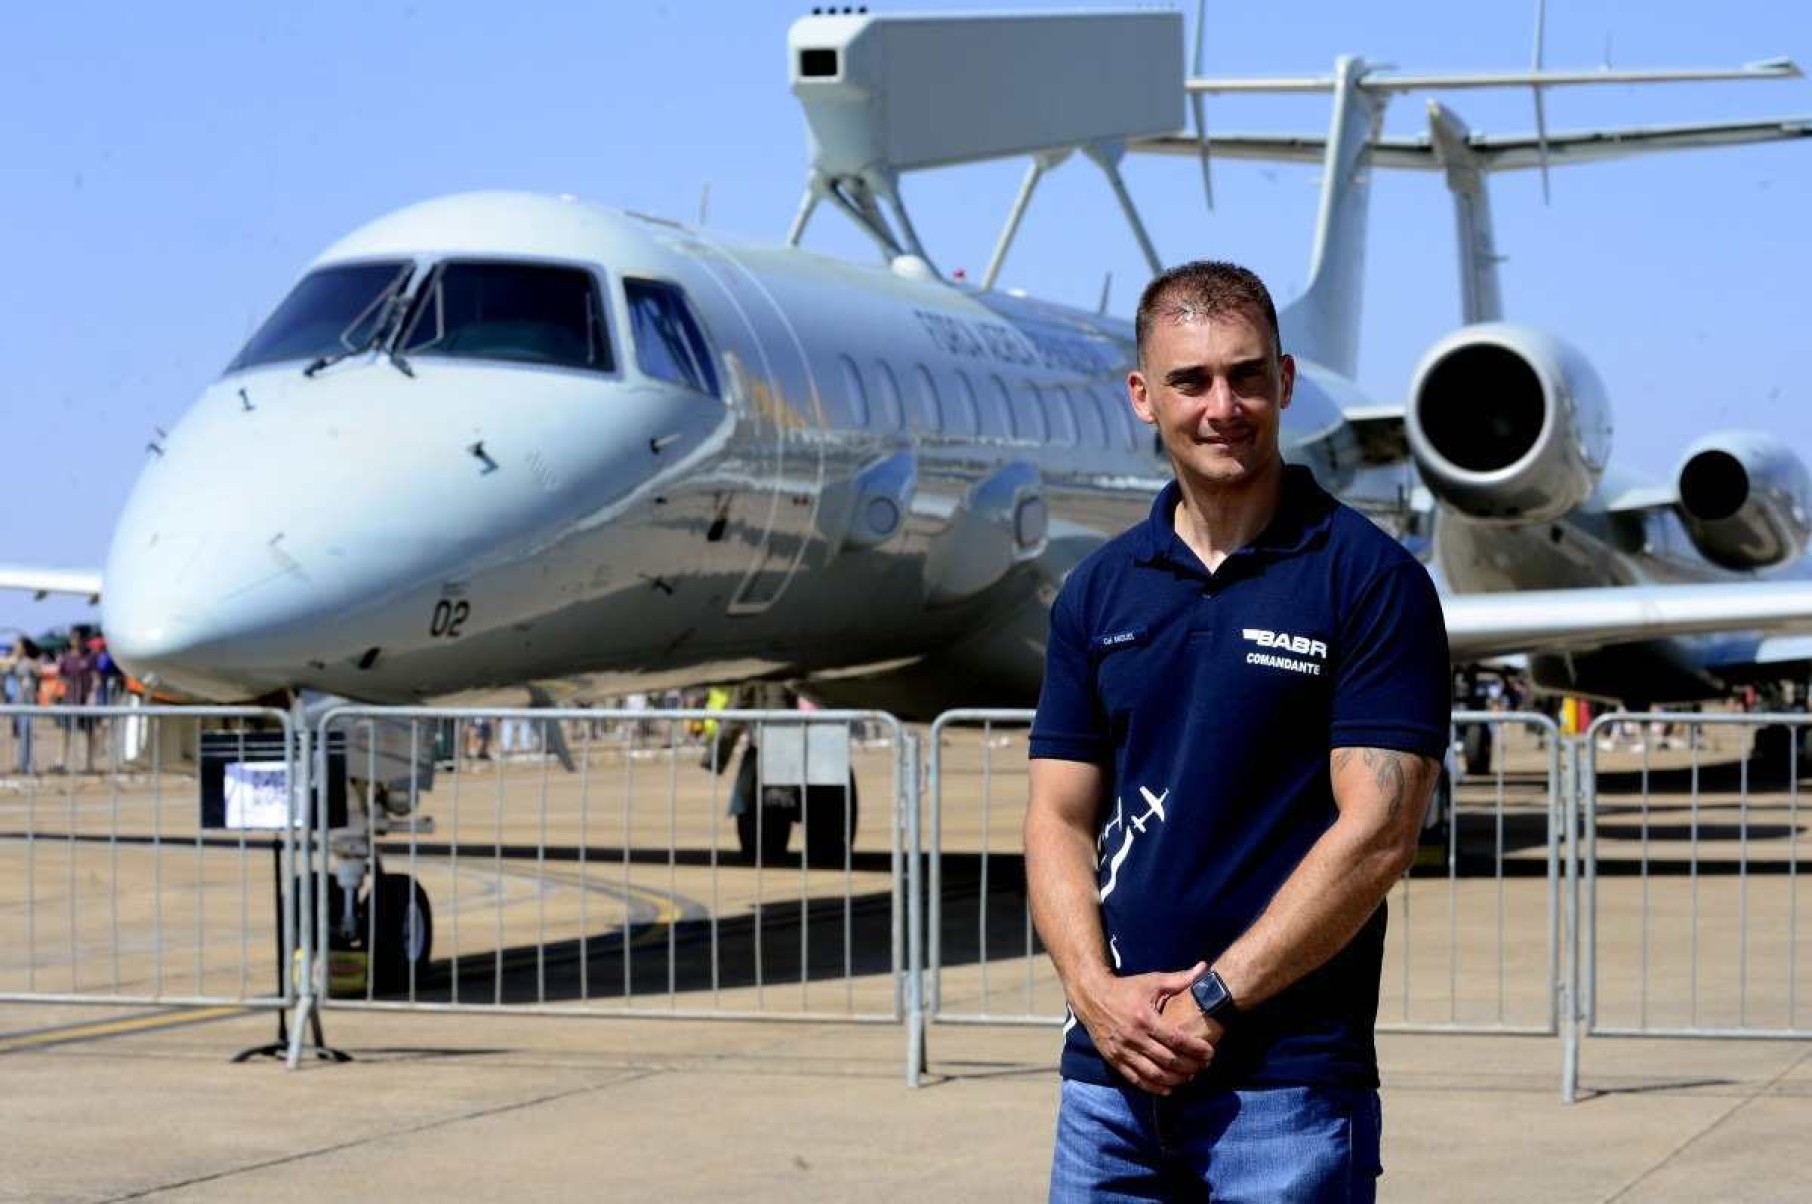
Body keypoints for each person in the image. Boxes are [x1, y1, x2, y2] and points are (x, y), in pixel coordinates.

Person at [1025, 261, 1449, 1201]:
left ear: (1287, 382)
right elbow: (1055, 818)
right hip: (1110, 1084)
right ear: (1143, 397)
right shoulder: (1099, 592)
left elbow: (1378, 833)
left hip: (1286, 1087)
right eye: (1191, 380)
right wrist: (1097, 997)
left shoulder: (1369, 581)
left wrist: (1212, 1001)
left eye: (1247, 375)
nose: (1224, 405)